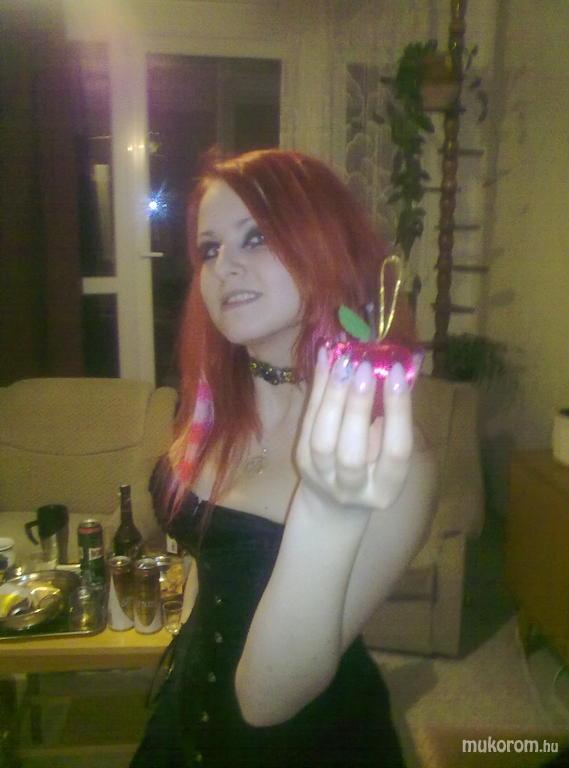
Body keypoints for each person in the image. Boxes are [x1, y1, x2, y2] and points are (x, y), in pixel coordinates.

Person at [130, 148, 436, 768]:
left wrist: (327, 513)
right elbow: (206, 556)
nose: (223, 266)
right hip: (180, 720)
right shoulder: (215, 410)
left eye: (256, 237)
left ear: (324, 245)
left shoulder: (383, 458)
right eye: (209, 249)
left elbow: (267, 702)